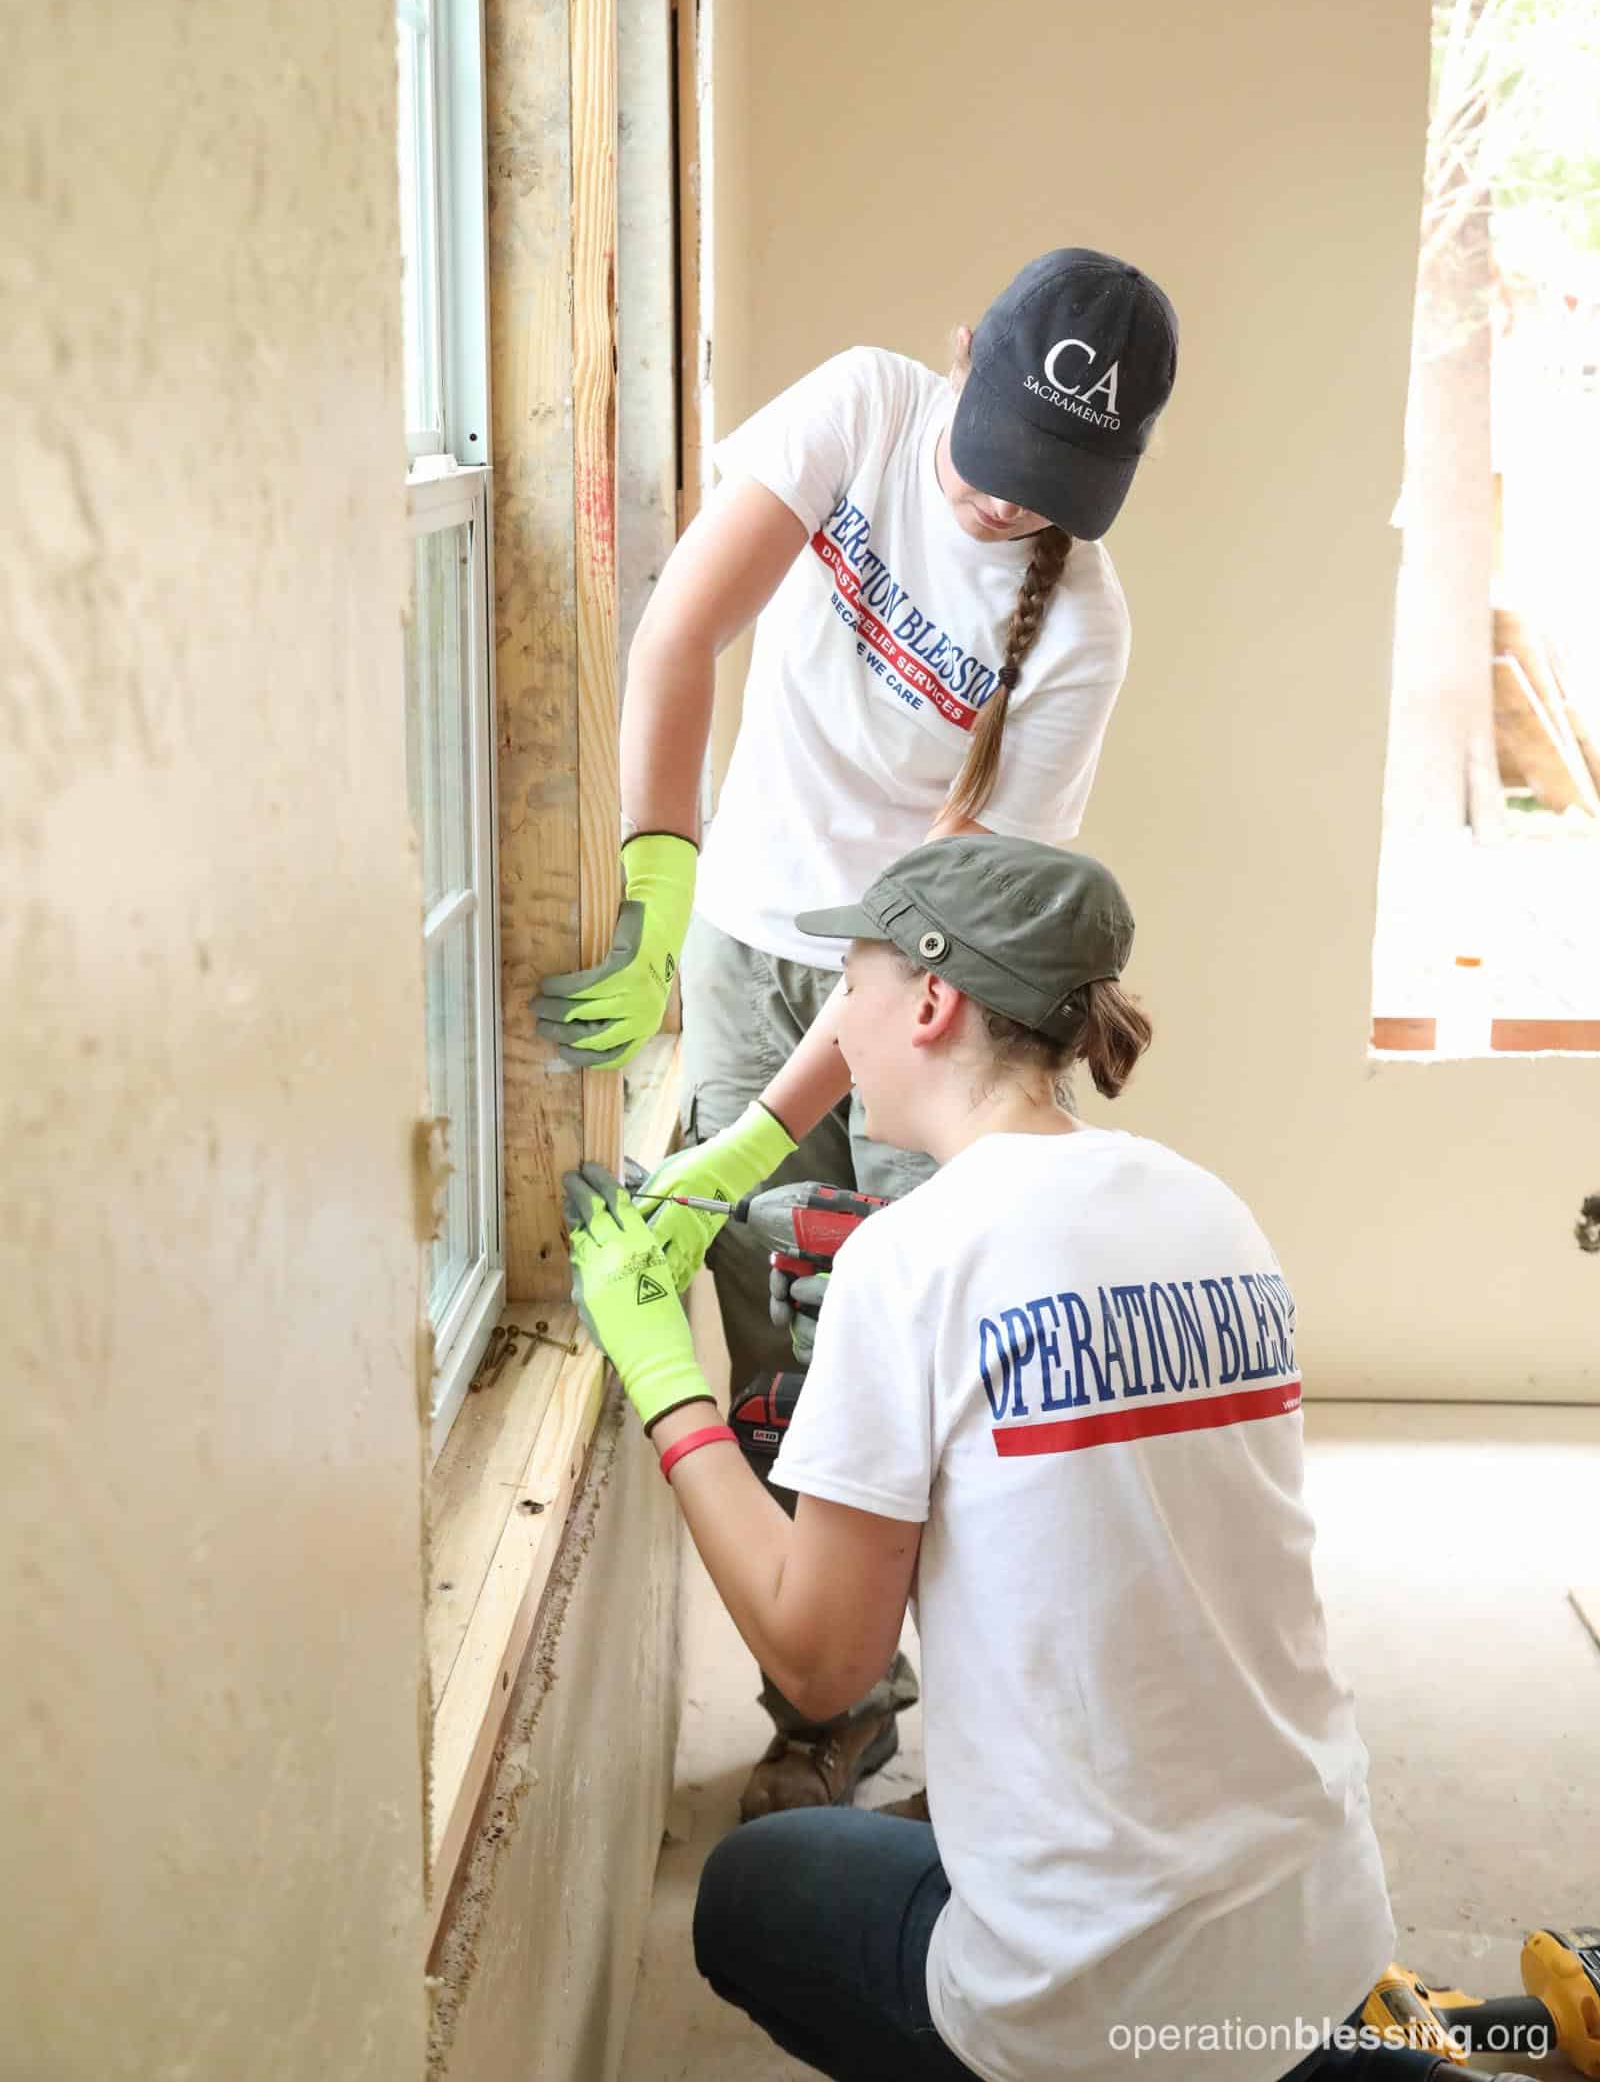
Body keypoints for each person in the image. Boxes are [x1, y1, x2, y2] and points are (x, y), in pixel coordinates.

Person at [562, 833, 1400, 2082]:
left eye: (850, 985)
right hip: (1326, 1927)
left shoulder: (911, 1260)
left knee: (750, 1891)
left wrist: (662, 1375)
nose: (837, 1021)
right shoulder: (1210, 1207)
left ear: (933, 999)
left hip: (1086, 2020)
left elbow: (821, 1657)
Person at [538, 247, 1180, 1815]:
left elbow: (951, 911)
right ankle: (831, 1707)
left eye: (1050, 489)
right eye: (996, 458)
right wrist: (659, 890)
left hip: (922, 991)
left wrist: (758, 1132)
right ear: (962, 358)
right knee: (775, 1330)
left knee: (912, 1334)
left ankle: (1000, 1719)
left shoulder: (1080, 633)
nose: (1003, 507)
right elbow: (680, 635)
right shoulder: (864, 412)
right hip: (754, 944)